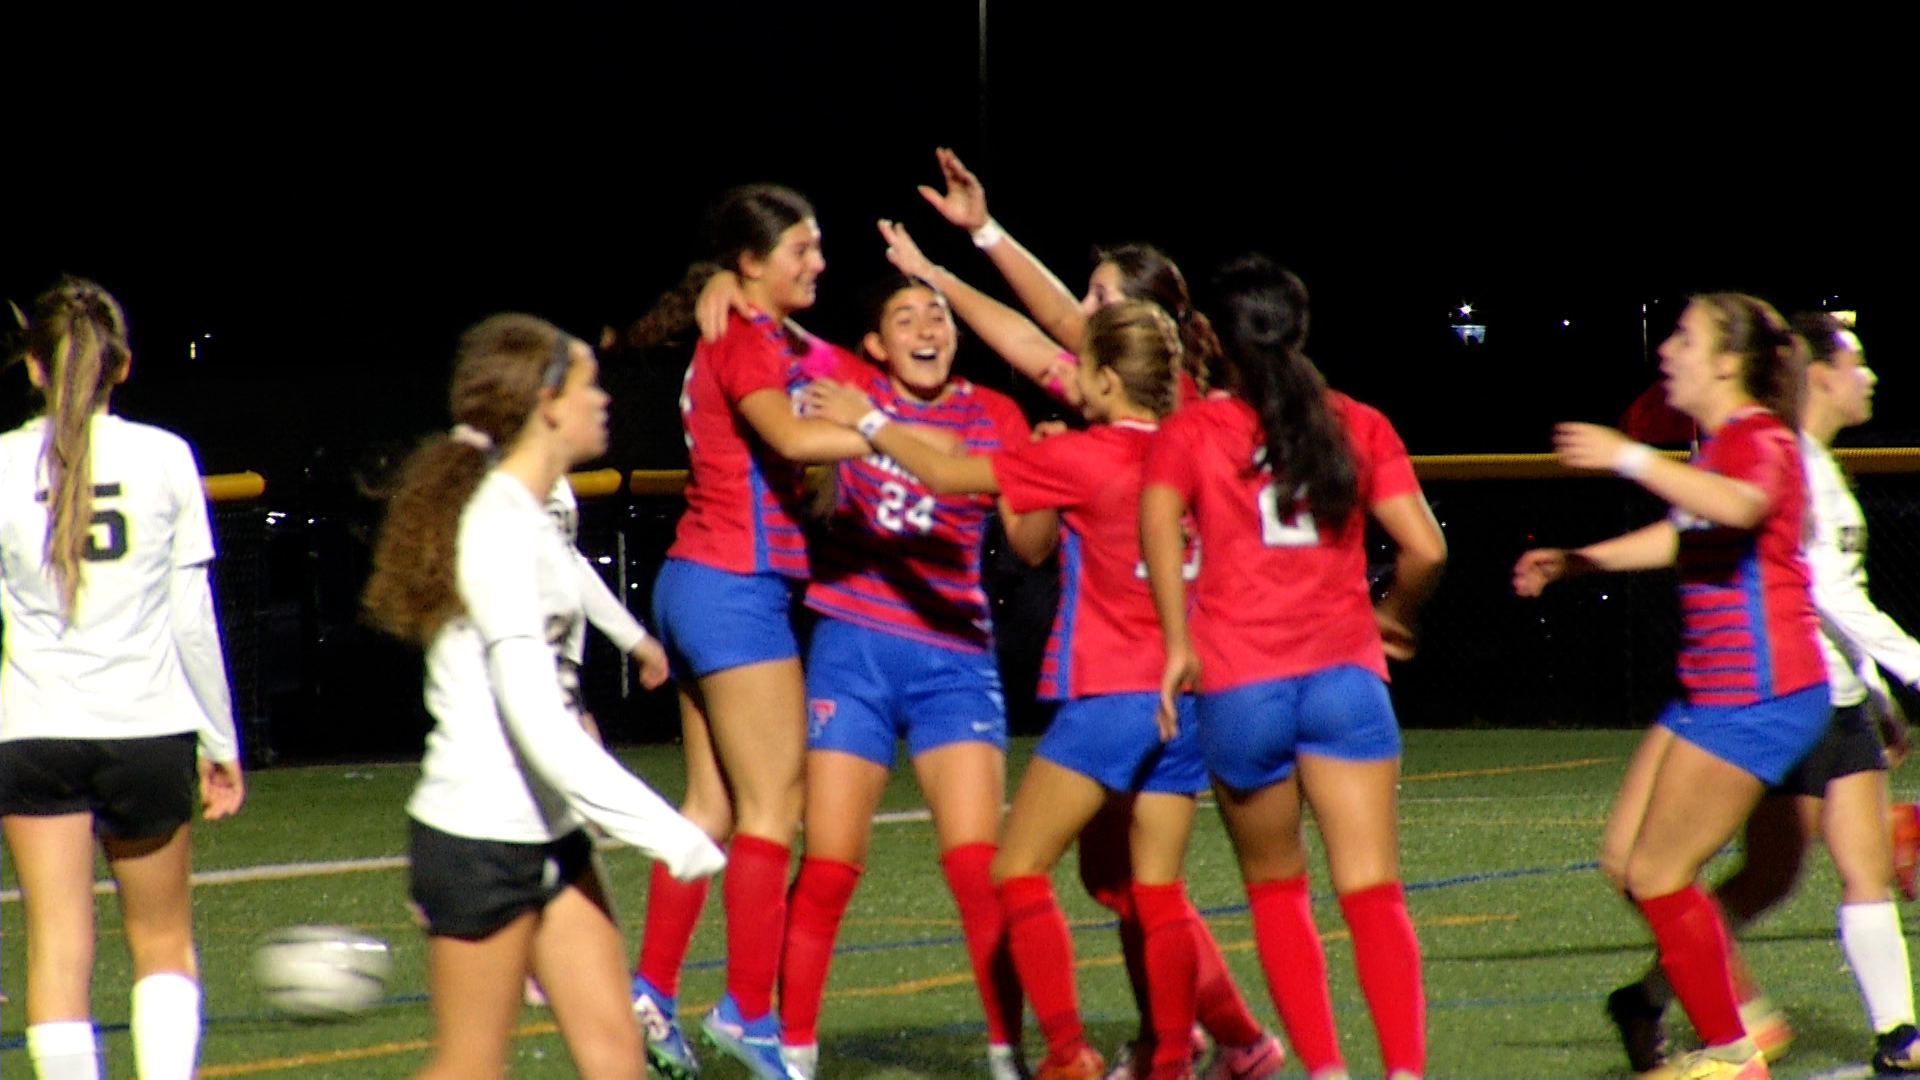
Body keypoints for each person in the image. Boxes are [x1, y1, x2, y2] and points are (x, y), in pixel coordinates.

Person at [807, 299, 1282, 1080]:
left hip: (1112, 697)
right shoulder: (1206, 448)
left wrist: (868, 421)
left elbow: (946, 472)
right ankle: (1171, 1059)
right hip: (1195, 695)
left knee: (1017, 869)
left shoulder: (1085, 454)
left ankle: (1067, 1053)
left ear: (1102, 380)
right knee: (1156, 889)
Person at [361, 313, 726, 1080]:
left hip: (550, 832)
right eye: (591, 383)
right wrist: (671, 832)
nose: (606, 400)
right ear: (547, 401)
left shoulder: (530, 513)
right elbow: (538, 722)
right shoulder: (497, 524)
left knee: (616, 1055)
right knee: (469, 1066)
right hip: (478, 837)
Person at [627, 184, 914, 1080]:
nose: (818, 264)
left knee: (712, 809)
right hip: (732, 587)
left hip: (698, 583)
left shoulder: (769, 332)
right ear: (752, 262)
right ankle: (747, 1010)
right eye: (801, 250)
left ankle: (652, 991)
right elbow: (789, 438)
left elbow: (843, 370)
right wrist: (895, 439)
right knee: (772, 812)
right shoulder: (746, 336)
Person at [1142, 256, 1445, 1080]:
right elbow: (1425, 549)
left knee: (1278, 890)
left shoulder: (1193, 431)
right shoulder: (1357, 420)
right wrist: (1393, 616)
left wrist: (1176, 640)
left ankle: (1324, 1068)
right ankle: (1405, 1072)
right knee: (1373, 890)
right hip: (1344, 680)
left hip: (1242, 682)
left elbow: (1158, 528)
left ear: (1211, 336)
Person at [1514, 293, 1829, 1080]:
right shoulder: (1718, 443)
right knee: (1628, 862)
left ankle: (1731, 1052)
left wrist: (1628, 456)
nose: (1668, 350)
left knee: (1659, 873)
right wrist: (1583, 559)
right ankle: (1710, 1012)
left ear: (1728, 363)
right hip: (1713, 690)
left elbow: (1740, 504)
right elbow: (1688, 530)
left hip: (1757, 692)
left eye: (1685, 339)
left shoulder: (1756, 437)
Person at [1603, 312, 1920, 1078]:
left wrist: (1878, 694)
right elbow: (1819, 595)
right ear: (1818, 375)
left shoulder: (1808, 461)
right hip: (1775, 692)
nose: (1870, 377)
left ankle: (1896, 1034)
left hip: (1826, 694)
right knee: (1707, 869)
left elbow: (1833, 595)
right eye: (1858, 361)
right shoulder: (1777, 457)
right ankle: (1698, 1012)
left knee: (1851, 868)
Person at [776, 275, 1036, 1080]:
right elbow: (773, 390)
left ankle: (1007, 1052)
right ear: (876, 344)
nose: (927, 327)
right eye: (905, 316)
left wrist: (1044, 478)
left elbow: (1030, 546)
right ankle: (789, 1050)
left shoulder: (995, 414)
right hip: (852, 648)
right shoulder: (843, 393)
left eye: (940, 315)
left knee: (976, 865)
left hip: (954, 656)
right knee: (828, 862)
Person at [0, 278, 245, 1080]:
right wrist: (221, 740)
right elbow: (192, 619)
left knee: (59, 948)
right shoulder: (166, 457)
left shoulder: (1, 465)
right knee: (164, 942)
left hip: (33, 730)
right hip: (144, 727)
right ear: (124, 366)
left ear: (34, 368)